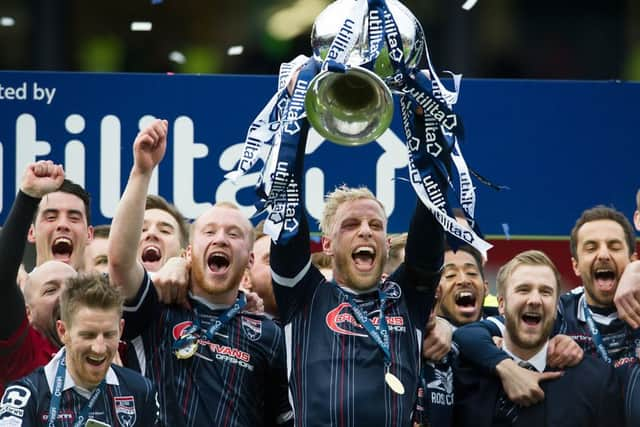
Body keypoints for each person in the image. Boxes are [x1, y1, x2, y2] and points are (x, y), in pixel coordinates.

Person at [108, 119, 292, 427]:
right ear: (189, 252)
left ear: (248, 260)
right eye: (209, 231)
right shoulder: (155, 308)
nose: (220, 238)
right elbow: (119, 262)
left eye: (233, 234)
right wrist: (142, 172)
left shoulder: (269, 335)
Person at [271, 179, 445, 425]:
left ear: (386, 244)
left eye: (376, 225)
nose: (365, 231)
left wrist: (428, 154)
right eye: (351, 225)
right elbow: (285, 220)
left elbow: (428, 236)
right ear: (327, 245)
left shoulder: (406, 298)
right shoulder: (304, 297)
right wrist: (292, 140)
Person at [454, 206, 637, 408]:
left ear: (633, 259)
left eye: (614, 246)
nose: (603, 255)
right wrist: (508, 369)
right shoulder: (556, 311)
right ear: (575, 265)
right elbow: (469, 336)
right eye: (591, 247)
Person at [452, 250, 624, 427]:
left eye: (545, 292)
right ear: (501, 304)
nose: (535, 300)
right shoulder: (463, 374)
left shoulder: (596, 381)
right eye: (523, 290)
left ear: (556, 307)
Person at [0, 273, 160, 426]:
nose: (99, 348)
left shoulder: (141, 391)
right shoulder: (26, 396)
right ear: (63, 331)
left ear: (121, 328)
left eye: (109, 334)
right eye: (88, 335)